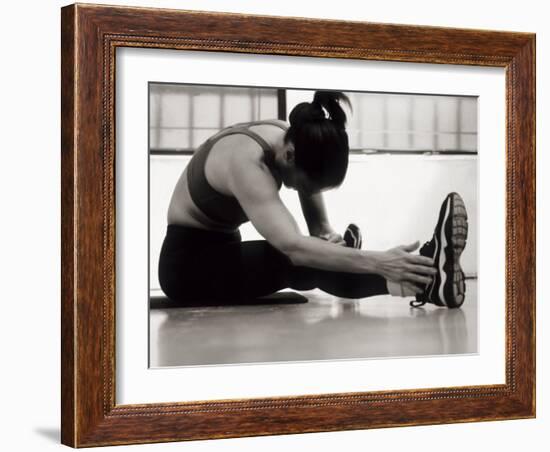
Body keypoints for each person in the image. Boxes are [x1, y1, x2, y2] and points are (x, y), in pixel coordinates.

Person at [158, 91, 468, 309]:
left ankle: (424, 279)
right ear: (290, 156)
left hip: (223, 249)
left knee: (317, 253)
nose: (302, 190)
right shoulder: (245, 162)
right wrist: (378, 260)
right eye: (306, 184)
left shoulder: (293, 138)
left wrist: (328, 240)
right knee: (296, 260)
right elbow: (293, 247)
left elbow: (317, 228)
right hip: (188, 269)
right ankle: (425, 280)